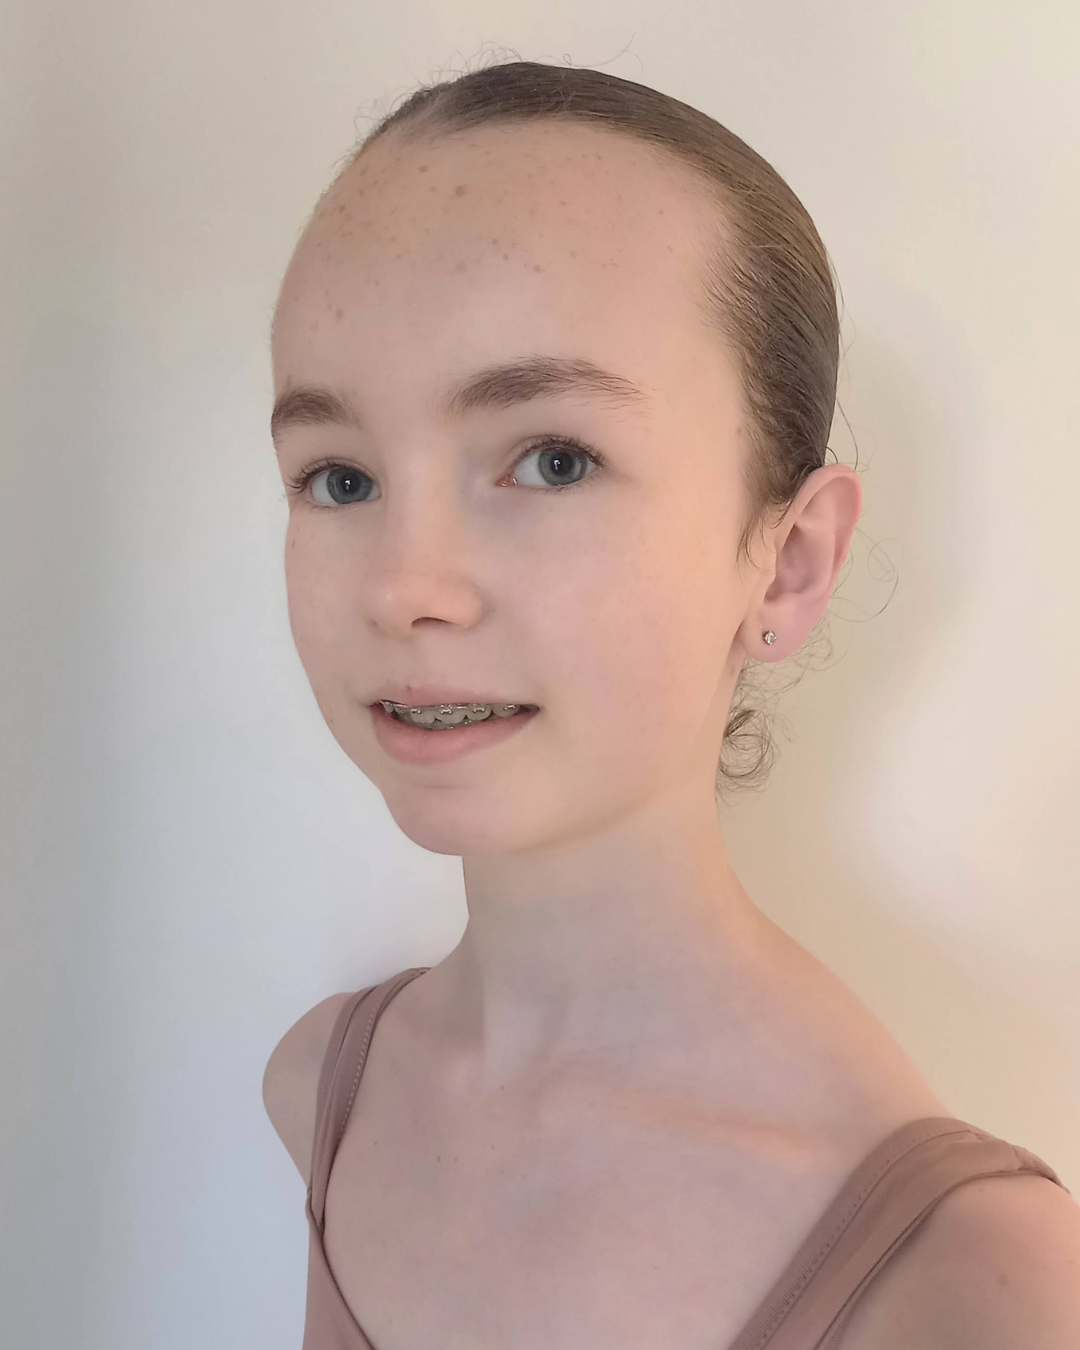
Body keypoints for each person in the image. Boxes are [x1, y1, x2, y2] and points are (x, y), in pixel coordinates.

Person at [262, 60, 1079, 1350]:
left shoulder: (974, 1283)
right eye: (340, 478)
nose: (405, 588)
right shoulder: (324, 1086)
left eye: (554, 460)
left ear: (789, 561)